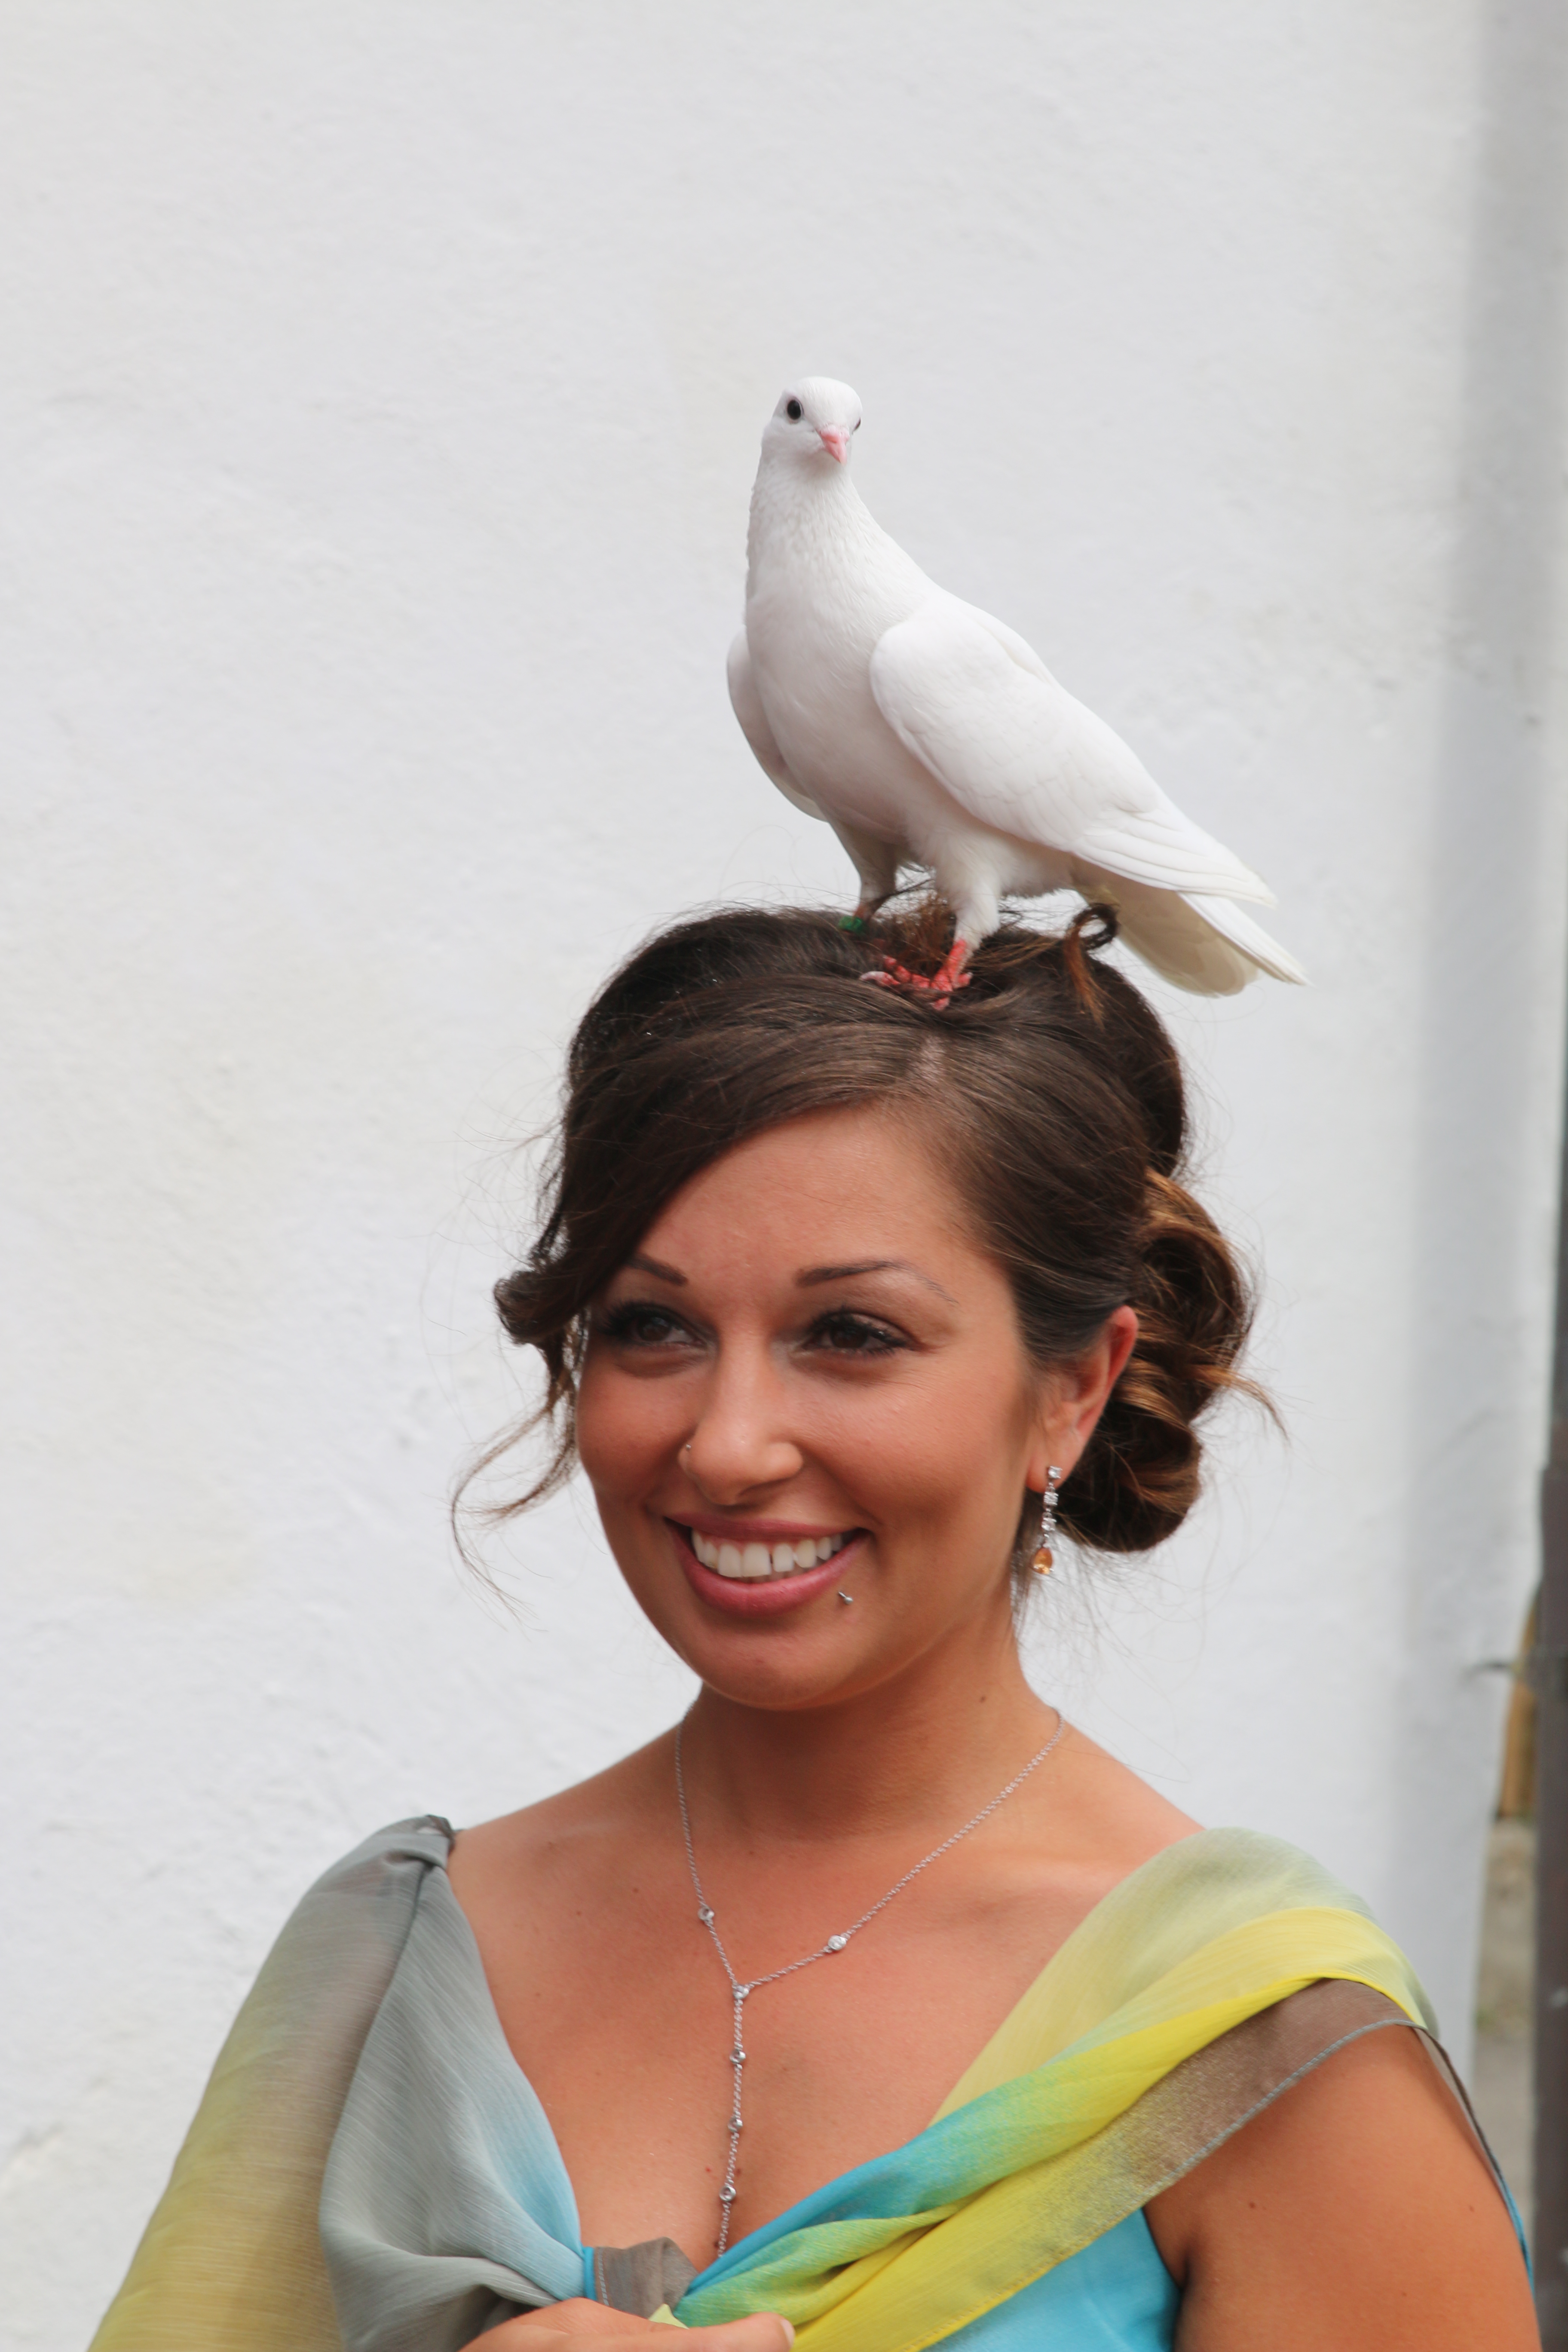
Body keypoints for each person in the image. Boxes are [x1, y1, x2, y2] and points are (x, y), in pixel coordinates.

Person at [92, 905, 1535, 2352]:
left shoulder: (1257, 2042)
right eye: (652, 1326)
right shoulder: (400, 1958)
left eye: (851, 1335)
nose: (728, 1446)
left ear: (1073, 1391)